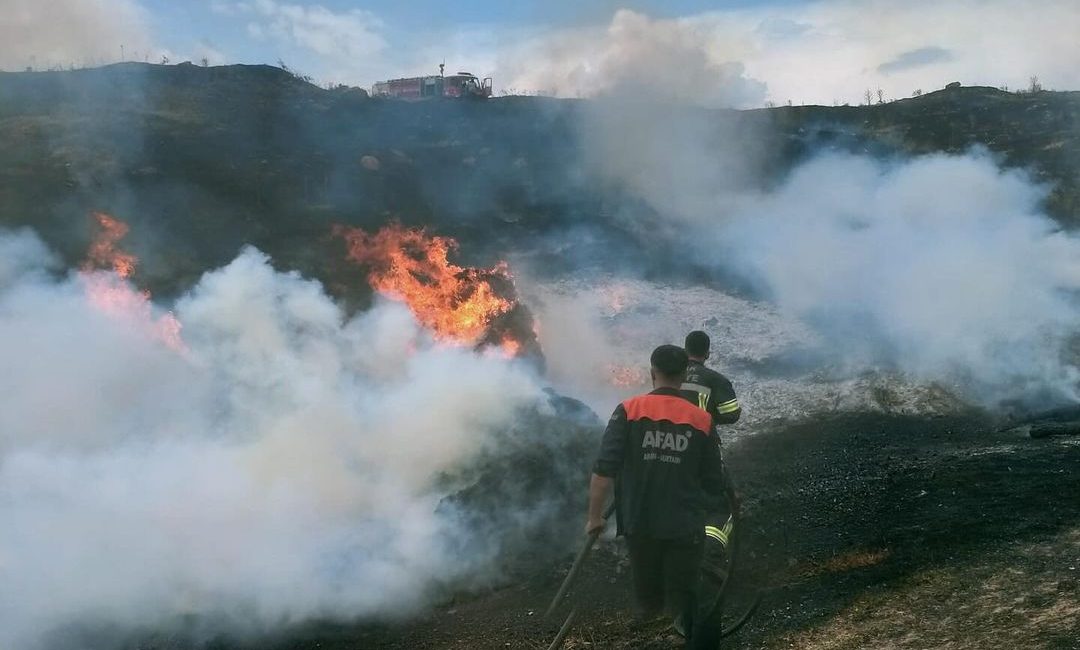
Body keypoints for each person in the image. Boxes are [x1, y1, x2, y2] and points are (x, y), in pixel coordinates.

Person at [587, 345, 726, 649]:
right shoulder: (701, 420)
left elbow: (604, 469)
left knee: (650, 595)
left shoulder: (628, 410)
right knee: (693, 596)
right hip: (683, 525)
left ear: (652, 374)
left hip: (639, 523)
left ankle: (655, 617)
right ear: (683, 375)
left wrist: (594, 517)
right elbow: (713, 482)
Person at [681, 331, 741, 429]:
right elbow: (732, 414)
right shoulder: (717, 379)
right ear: (707, 354)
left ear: (685, 351)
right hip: (700, 435)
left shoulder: (670, 375)